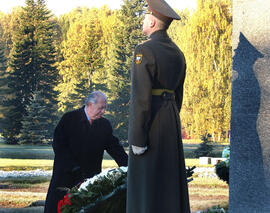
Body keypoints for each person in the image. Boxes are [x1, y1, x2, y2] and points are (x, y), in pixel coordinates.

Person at [127, 0, 190, 212]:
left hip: (151, 124)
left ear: (153, 23)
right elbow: (178, 95)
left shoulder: (144, 50)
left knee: (146, 186)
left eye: (146, 16)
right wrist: (170, 118)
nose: (143, 20)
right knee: (169, 186)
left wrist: (137, 138)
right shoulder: (178, 53)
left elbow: (141, 99)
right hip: (170, 120)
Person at [44, 91, 128, 213]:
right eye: (101, 108)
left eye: (105, 108)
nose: (103, 111)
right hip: (65, 177)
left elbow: (115, 148)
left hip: (90, 179)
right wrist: (73, 168)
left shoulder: (104, 125)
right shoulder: (69, 119)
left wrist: (129, 166)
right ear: (89, 104)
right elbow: (59, 147)